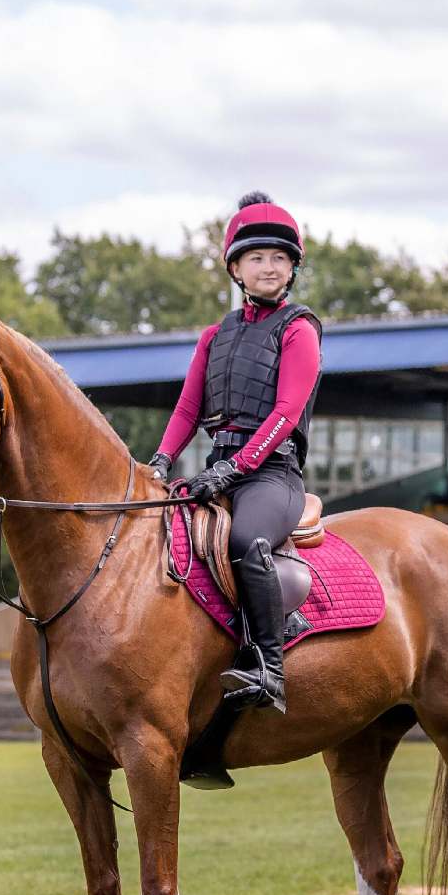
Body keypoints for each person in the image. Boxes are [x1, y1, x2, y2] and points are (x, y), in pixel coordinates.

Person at [148, 192, 322, 714]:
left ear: (291, 268)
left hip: (271, 475)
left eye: (279, 258)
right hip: (216, 470)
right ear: (236, 268)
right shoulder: (213, 337)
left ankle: (270, 668)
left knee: (247, 540)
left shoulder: (299, 329)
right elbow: (186, 409)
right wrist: (159, 461)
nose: (268, 267)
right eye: (256, 258)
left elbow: (286, 413)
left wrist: (234, 468)